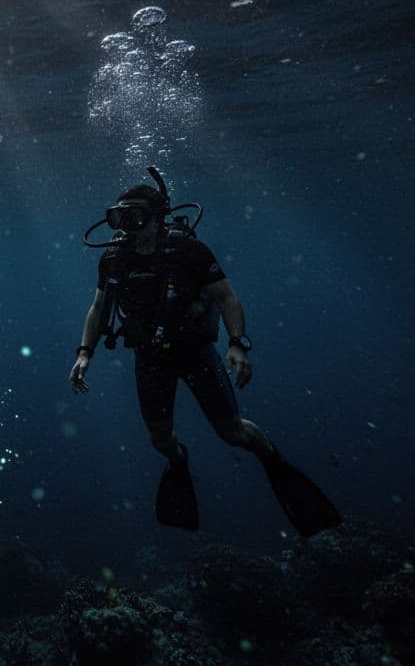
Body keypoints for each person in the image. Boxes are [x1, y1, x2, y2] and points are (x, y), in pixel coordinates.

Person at [69, 168, 341, 537]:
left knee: (231, 432)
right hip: (149, 357)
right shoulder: (114, 259)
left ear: (157, 217)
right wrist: (85, 352)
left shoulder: (188, 250)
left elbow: (226, 296)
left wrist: (238, 344)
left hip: (193, 352)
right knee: (159, 440)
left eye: (136, 217)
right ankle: (179, 461)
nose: (127, 227)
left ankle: (273, 459)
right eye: (120, 217)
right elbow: (99, 308)